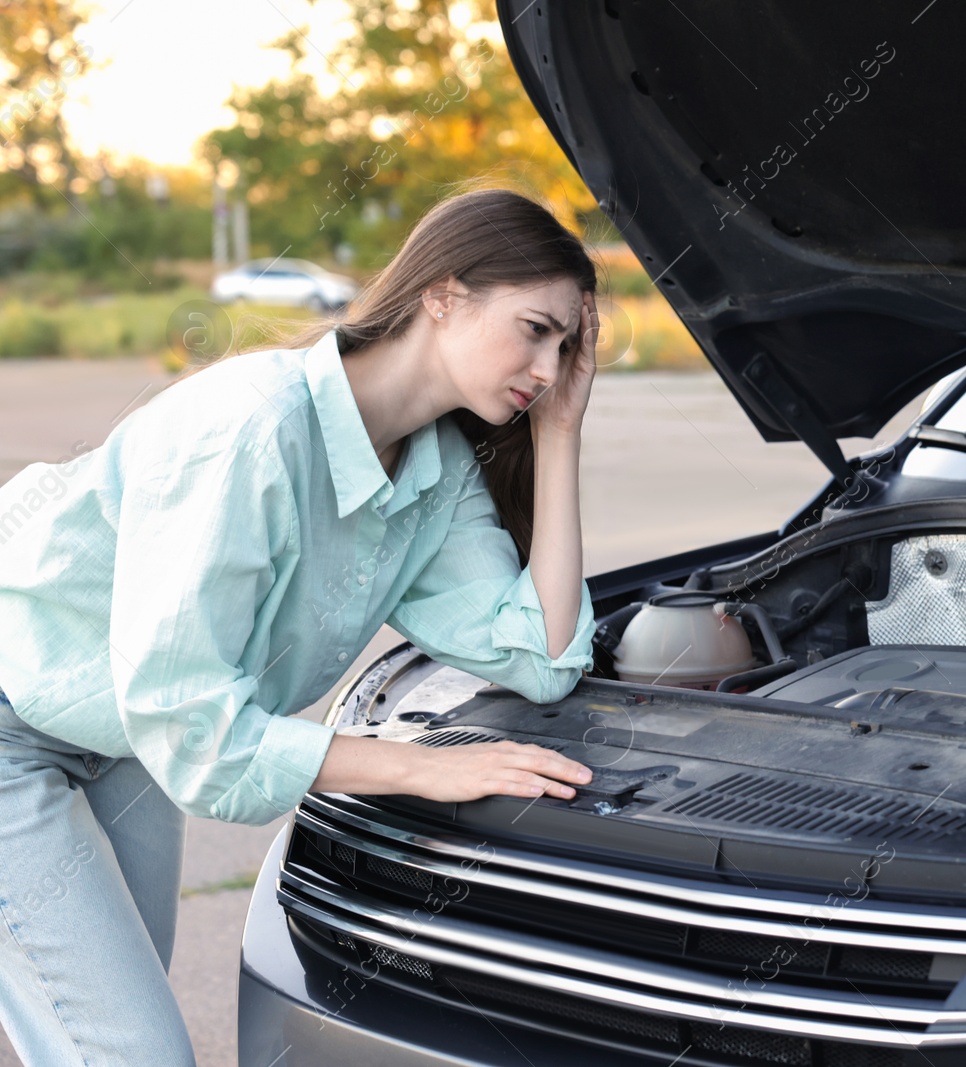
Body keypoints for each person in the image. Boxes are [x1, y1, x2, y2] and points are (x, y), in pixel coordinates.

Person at [0, 184, 603, 1065]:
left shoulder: (437, 472)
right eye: (536, 328)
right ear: (442, 292)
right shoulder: (252, 428)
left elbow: (542, 659)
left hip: (126, 741)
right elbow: (195, 730)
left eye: (567, 346)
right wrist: (416, 768)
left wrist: (558, 437)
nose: (549, 368)